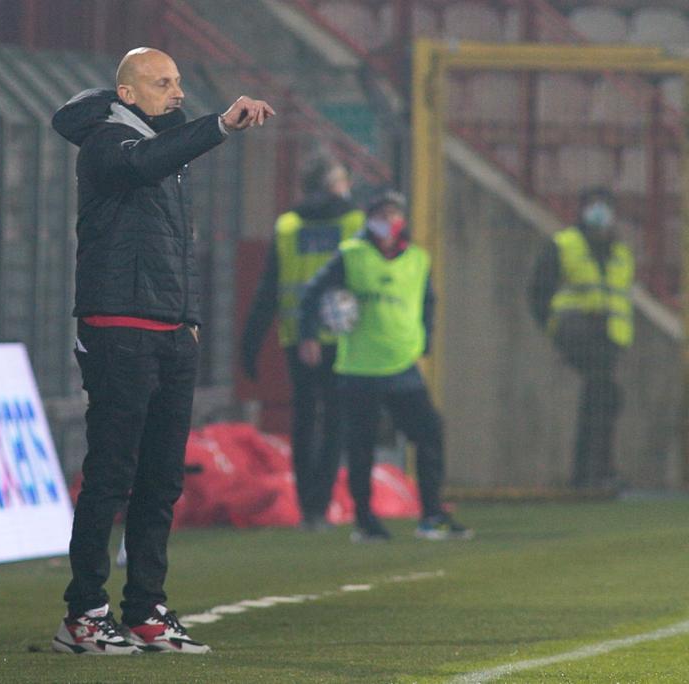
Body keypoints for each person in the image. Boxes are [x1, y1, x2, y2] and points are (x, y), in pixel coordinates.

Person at [50, 47, 274, 655]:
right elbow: (143, 162)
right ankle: (83, 613)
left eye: (177, 81)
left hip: (171, 332)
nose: (177, 93)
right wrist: (219, 125)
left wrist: (188, 318)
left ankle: (146, 610)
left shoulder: (157, 146)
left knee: (161, 479)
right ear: (126, 94)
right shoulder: (106, 143)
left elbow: (174, 246)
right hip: (118, 329)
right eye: (162, 83)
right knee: (111, 475)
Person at [298, 190, 471, 542]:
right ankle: (365, 521)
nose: (389, 220)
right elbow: (312, 294)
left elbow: (428, 301)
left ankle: (432, 515)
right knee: (361, 446)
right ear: (369, 218)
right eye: (381, 213)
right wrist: (309, 335)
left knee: (429, 433)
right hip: (360, 368)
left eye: (394, 213)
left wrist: (425, 340)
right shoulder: (352, 255)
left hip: (402, 365)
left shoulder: (417, 259)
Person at [240, 156, 365, 530]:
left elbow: (267, 290)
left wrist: (251, 343)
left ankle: (307, 506)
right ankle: (322, 504)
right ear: (331, 185)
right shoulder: (353, 222)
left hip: (297, 337)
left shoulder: (288, 226)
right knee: (335, 420)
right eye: (342, 179)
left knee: (304, 419)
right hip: (342, 336)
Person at [528, 187, 633, 490]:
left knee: (602, 396)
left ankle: (591, 472)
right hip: (577, 332)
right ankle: (596, 470)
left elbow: (619, 298)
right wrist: (555, 327)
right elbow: (539, 291)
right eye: (594, 205)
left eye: (605, 205)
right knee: (603, 394)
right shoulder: (565, 244)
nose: (600, 212)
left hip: (609, 338)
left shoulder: (620, 253)